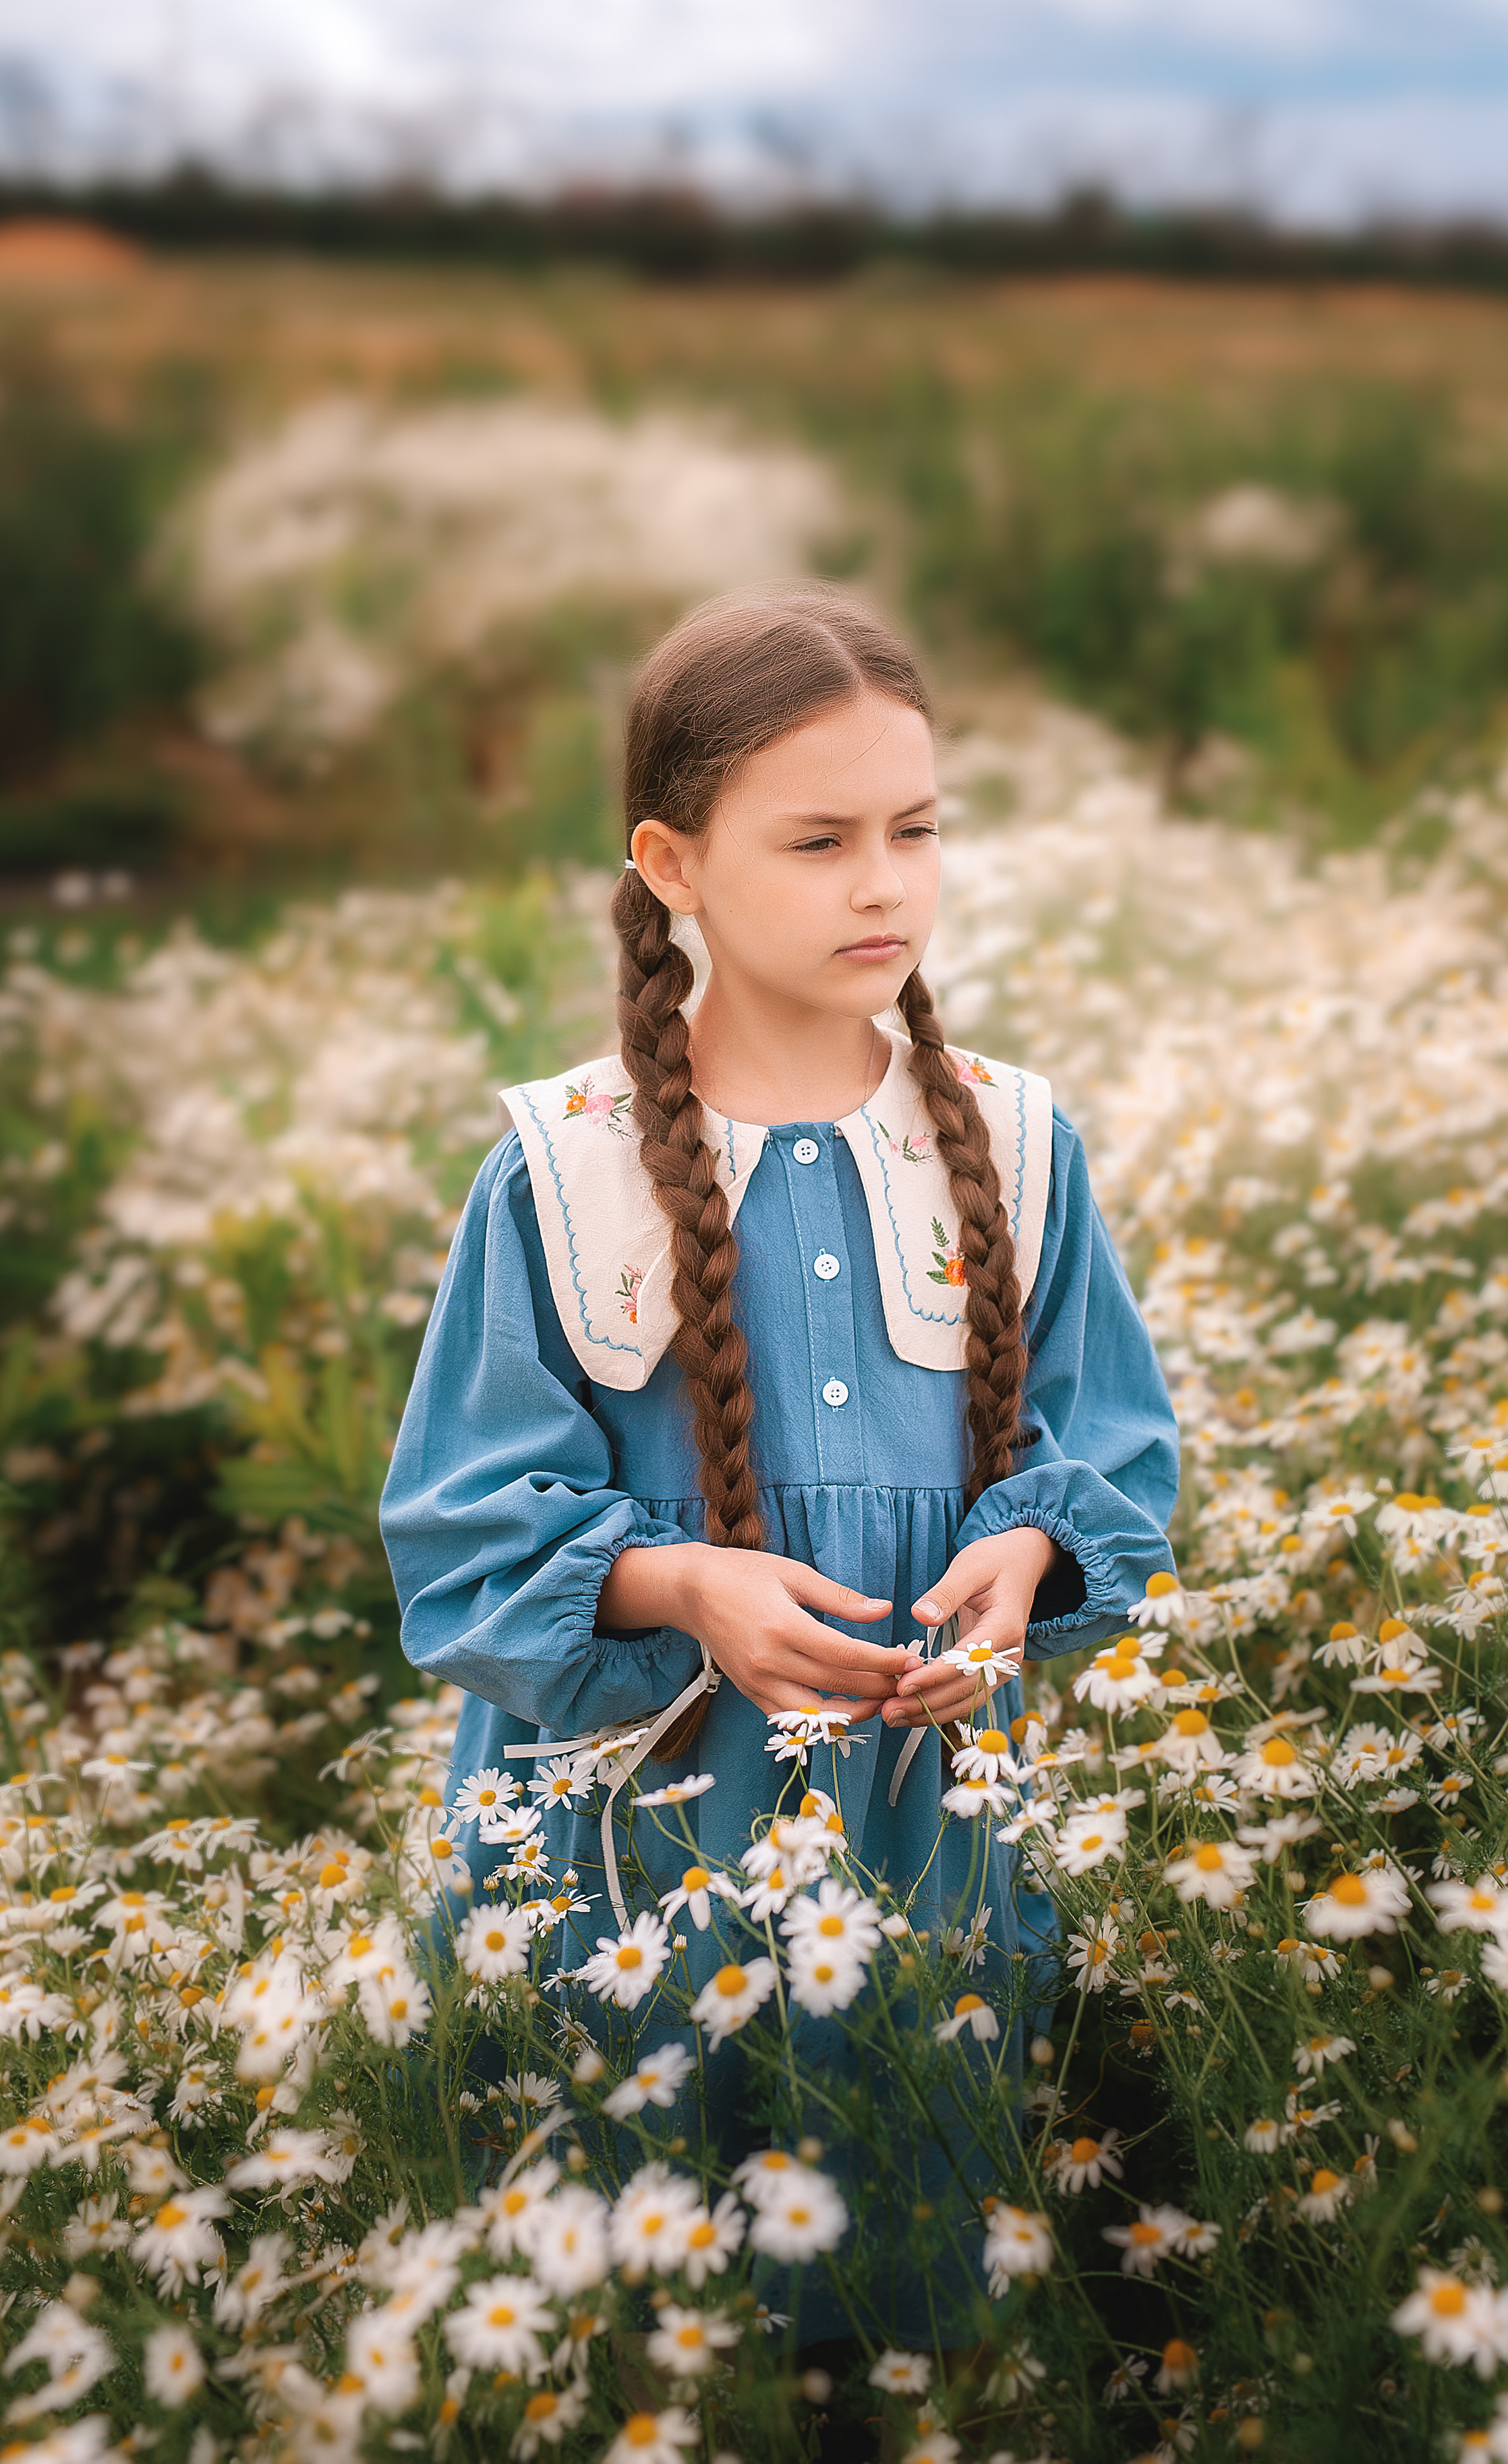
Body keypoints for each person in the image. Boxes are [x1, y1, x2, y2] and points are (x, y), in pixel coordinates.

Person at [380, 582, 1178, 2353]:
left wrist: (1029, 1555)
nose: (883, 884)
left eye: (917, 830)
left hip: (914, 1821)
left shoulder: (1014, 1141)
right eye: (819, 842)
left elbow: (1108, 1441)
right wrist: (681, 1583)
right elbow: (459, 1520)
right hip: (632, 1846)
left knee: (899, 2268)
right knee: (633, 2305)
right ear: (673, 863)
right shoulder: (567, 1167)